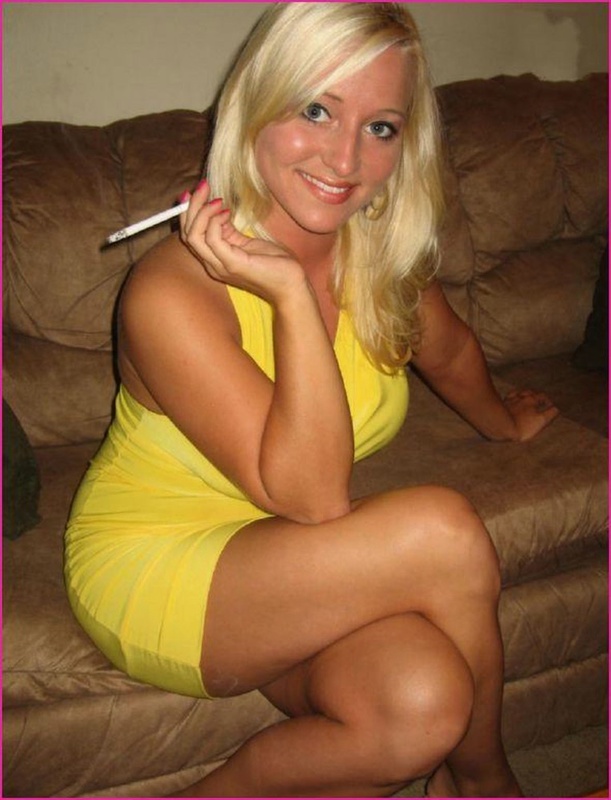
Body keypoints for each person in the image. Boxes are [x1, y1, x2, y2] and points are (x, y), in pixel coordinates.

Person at [64, 4, 558, 797]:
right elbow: (314, 498)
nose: (345, 157)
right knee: (442, 531)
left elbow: (450, 350)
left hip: (289, 559)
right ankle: (483, 782)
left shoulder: (379, 257)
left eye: (380, 127)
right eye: (316, 111)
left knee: (422, 703)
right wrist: (290, 295)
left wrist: (503, 422)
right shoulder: (168, 292)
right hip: (160, 566)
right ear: (255, 108)